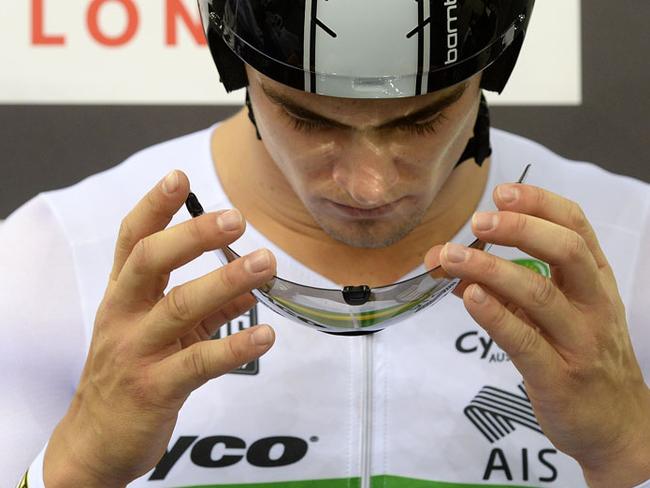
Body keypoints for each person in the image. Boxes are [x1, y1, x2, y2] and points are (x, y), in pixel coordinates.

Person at [2, 1, 650, 487]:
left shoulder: (634, 243)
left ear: (498, 64)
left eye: (422, 118)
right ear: (233, 63)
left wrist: (626, 454)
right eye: (307, 116)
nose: (367, 187)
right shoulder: (50, 255)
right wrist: (78, 466)